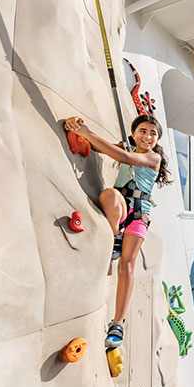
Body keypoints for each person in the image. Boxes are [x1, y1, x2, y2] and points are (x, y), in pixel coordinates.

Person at [64, 114, 171, 348]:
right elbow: (100, 147)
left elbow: (124, 158)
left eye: (152, 133)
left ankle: (118, 323)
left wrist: (87, 133)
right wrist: (79, 128)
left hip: (139, 213)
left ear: (157, 139)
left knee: (127, 264)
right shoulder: (127, 147)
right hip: (120, 206)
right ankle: (114, 239)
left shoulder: (153, 158)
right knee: (109, 195)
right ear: (133, 133)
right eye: (142, 131)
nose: (147, 136)